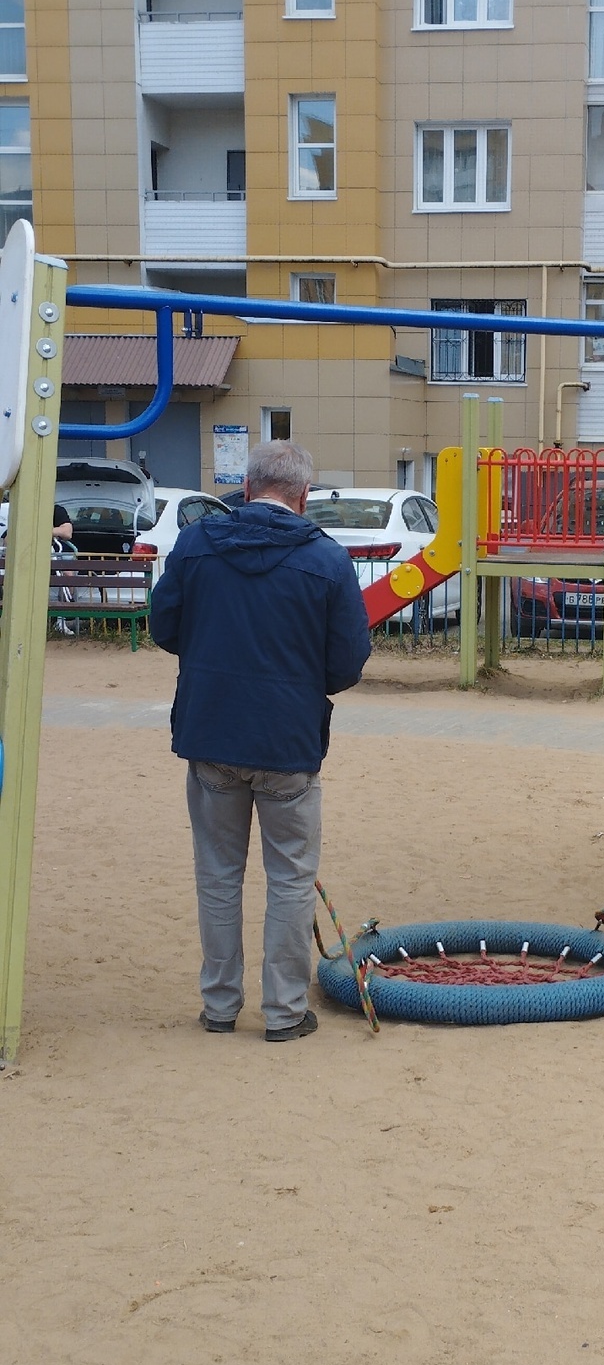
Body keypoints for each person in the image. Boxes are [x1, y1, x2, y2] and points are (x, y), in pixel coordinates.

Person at [150, 439, 372, 1041]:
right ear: (304, 497)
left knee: (218, 873)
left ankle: (220, 1005)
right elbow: (348, 661)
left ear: (246, 489)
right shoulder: (327, 559)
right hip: (287, 739)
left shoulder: (196, 543)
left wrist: (209, 651)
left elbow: (164, 626)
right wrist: (304, 682)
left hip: (211, 731)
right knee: (292, 877)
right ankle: (284, 1011)